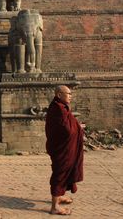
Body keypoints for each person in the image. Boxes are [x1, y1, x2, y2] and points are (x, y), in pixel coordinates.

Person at [45, 85, 84, 215]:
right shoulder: (57, 108)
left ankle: (59, 195)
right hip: (60, 148)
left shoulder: (62, 107)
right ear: (59, 95)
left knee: (65, 171)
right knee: (59, 173)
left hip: (66, 147)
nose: (70, 96)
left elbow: (69, 124)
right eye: (68, 93)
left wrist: (78, 127)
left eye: (71, 93)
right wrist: (77, 128)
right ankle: (54, 207)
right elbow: (65, 129)